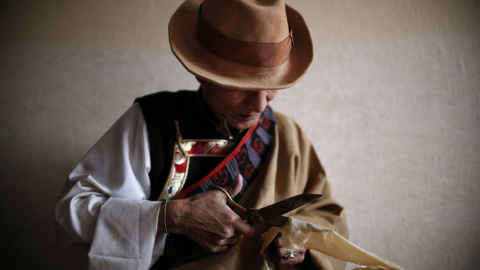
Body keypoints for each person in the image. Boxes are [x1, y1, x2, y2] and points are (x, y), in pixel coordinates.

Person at [54, 0, 348, 269]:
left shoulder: (287, 134)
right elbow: (72, 213)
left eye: (272, 85)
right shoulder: (152, 121)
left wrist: (299, 249)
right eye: (242, 85)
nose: (260, 105)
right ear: (202, 72)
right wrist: (171, 217)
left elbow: (326, 217)